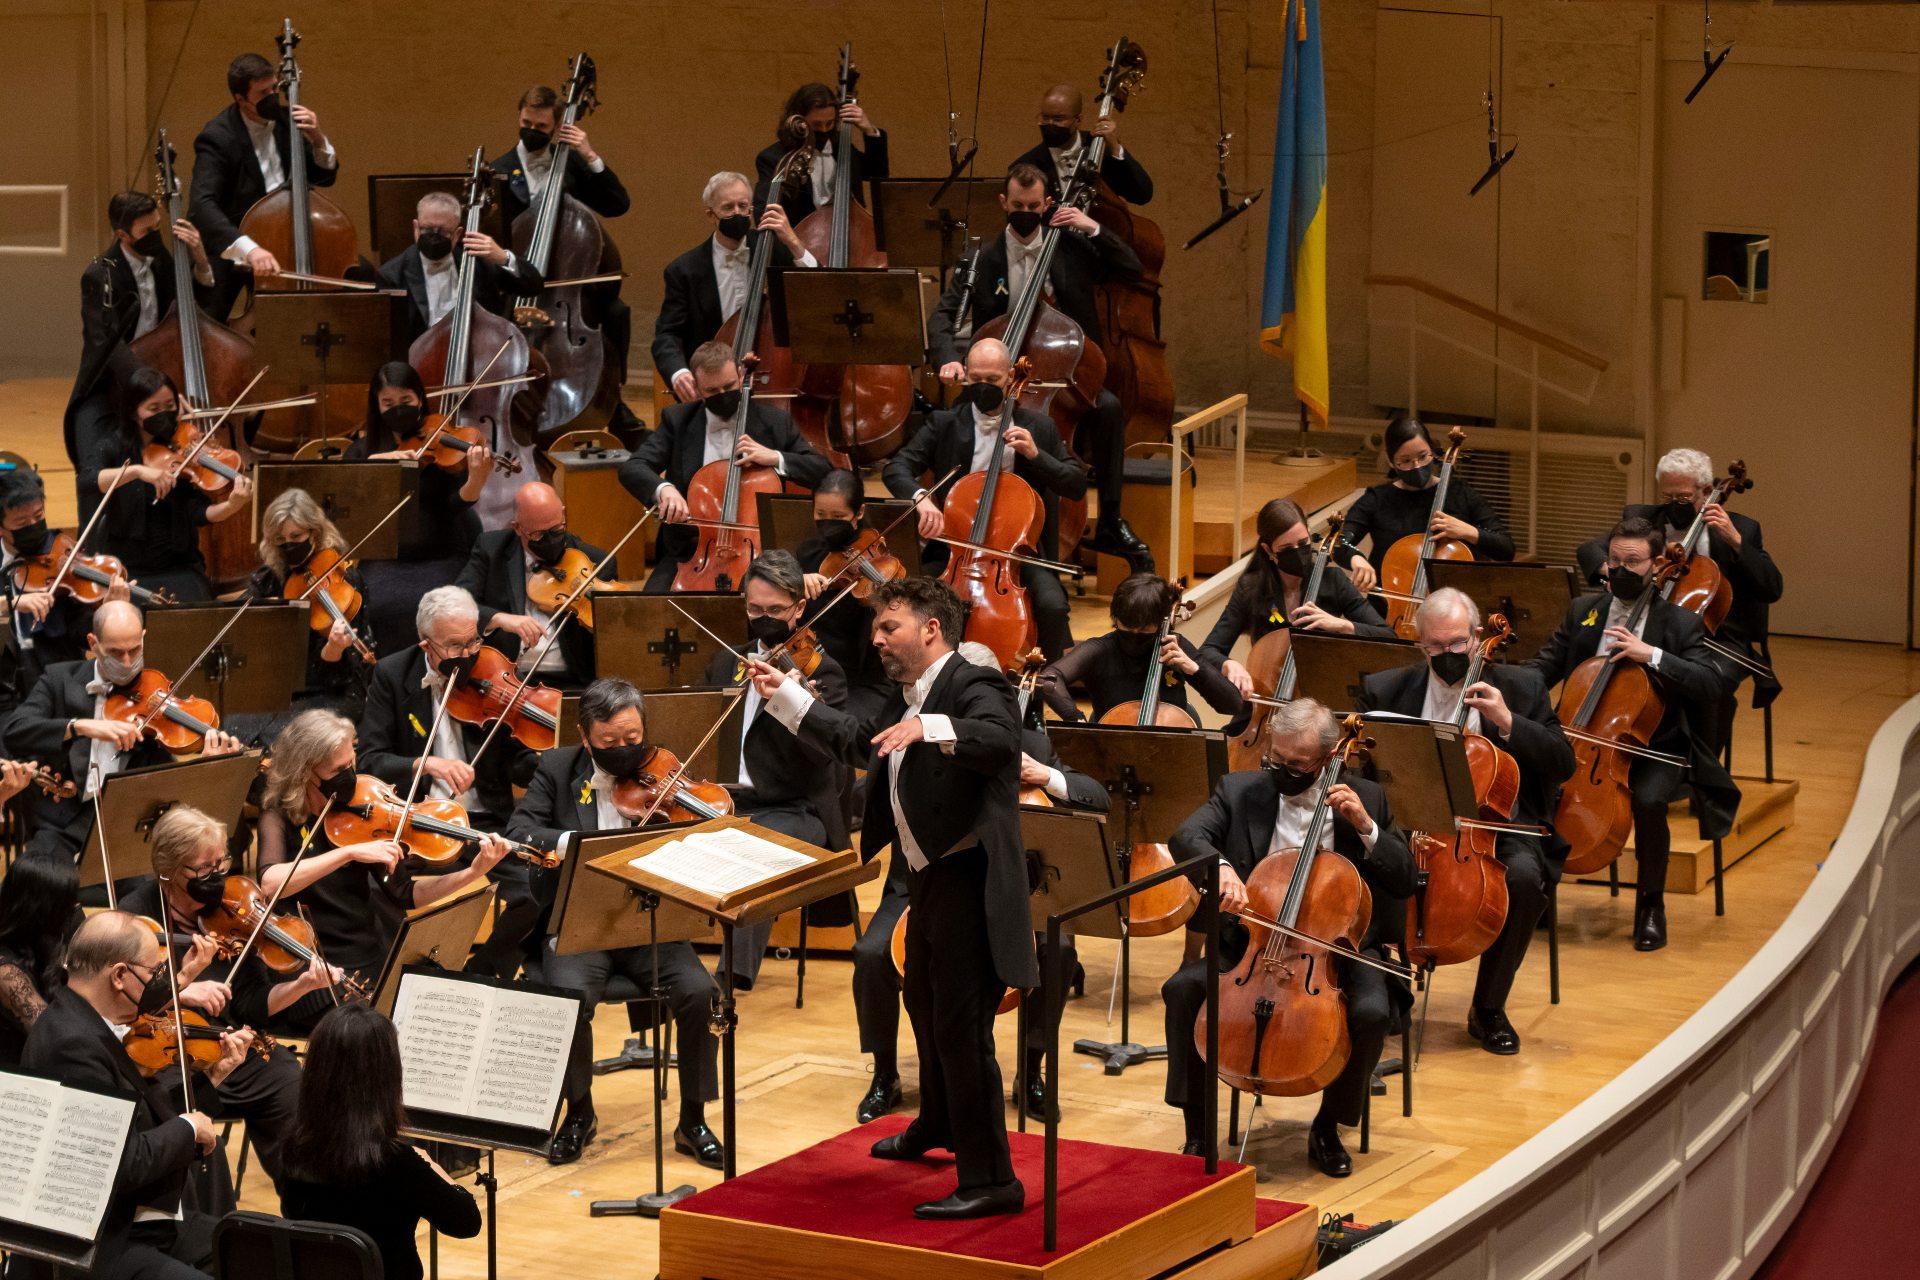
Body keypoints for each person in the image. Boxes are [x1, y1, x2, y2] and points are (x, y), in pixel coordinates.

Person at [746, 576, 1037, 1220]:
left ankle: (992, 1180)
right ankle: (938, 1123)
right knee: (924, 1003)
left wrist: (932, 728)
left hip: (969, 881)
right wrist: (787, 696)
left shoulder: (970, 683)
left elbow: (1000, 741)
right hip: (923, 879)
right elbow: (857, 742)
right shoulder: (907, 698)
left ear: (930, 629)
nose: (876, 640)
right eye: (875, 628)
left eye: (889, 628)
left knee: (963, 1028)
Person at [1162, 698, 1414, 1175]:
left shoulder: (1366, 798)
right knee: (1182, 990)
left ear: (1326, 759)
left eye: (1294, 765)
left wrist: (1365, 827)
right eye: (1274, 759)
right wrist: (1222, 870)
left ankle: (1326, 1128)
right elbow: (1186, 836)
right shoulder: (1240, 791)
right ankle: (1198, 1132)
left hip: (1338, 951)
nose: (1280, 770)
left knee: (1371, 1012)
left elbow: (1403, 879)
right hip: (1252, 946)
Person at [505, 677, 723, 1168]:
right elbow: (519, 832)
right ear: (586, 737)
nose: (625, 751)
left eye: (633, 739)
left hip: (648, 920)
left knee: (699, 992)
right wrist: (574, 847)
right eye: (610, 743)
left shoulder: (663, 769)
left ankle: (693, 1120)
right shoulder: (558, 768)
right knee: (568, 1002)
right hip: (580, 924)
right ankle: (579, 1113)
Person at [1357, 588, 1572, 1054]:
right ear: (1421, 645)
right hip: (1410, 824)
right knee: (1356, 864)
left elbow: (1562, 762)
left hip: (1492, 828)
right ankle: (1385, 992)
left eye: (1457, 645)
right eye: (1437, 648)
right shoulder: (1387, 689)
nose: (1449, 655)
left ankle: (1488, 1008)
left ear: (1477, 638)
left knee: (1523, 878)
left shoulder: (1521, 686)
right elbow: (1367, 775)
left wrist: (1508, 720)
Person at [1525, 517, 1737, 951]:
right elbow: (1542, 669)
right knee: (1539, 784)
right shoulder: (1585, 611)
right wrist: (1503, 685)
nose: (1619, 571)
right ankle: (1543, 895)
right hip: (1583, 737)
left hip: (1654, 744)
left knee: (1649, 800)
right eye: (1614, 561)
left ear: (1658, 563)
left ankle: (1651, 906)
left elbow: (1709, 684)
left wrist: (1652, 655)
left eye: (1632, 562)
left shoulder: (1680, 624)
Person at [928, 165, 1151, 574]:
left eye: (1034, 206)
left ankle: (1111, 521)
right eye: (1017, 206)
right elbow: (943, 316)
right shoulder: (980, 258)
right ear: (1003, 204)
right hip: (995, 375)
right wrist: (947, 356)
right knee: (945, 424)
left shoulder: (1070, 247)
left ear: (1047, 205)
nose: (1025, 212)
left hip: (1059, 373)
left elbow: (1133, 268)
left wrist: (1092, 227)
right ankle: (953, 526)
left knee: (1110, 409)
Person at [21, 911, 247, 1280]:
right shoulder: (72, 1044)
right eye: (155, 971)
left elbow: (143, 1122)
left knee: (254, 1248)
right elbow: (120, 1163)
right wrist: (189, 1128)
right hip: (107, 1242)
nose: (165, 983)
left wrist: (210, 1083)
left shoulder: (88, 1024)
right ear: (120, 975)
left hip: (146, 1220)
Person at [257, 710, 509, 1028]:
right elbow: (269, 883)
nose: (350, 774)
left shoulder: (363, 817)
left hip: (369, 955)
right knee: (383, 1029)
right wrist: (348, 854)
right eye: (338, 769)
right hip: (315, 969)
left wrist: (472, 872)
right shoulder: (278, 817)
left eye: (351, 763)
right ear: (306, 771)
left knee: (443, 1012)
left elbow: (407, 893)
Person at [117, 806, 319, 1192]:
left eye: (220, 862)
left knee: (287, 1079)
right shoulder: (134, 918)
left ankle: (305, 1202)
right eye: (204, 870)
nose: (218, 877)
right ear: (170, 870)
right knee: (172, 1105)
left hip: (228, 1043)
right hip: (168, 1055)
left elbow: (252, 1002)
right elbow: (120, 1003)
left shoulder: (232, 912)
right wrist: (181, 988)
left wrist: (300, 986)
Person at [357, 586, 536, 976]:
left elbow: (514, 760)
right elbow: (369, 760)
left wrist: (544, 755)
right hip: (415, 822)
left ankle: (482, 974)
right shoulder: (391, 674)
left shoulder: (488, 673)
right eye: (455, 646)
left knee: (534, 890)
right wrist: (427, 763)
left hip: (484, 821)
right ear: (426, 645)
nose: (469, 653)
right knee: (381, 892)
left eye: (473, 640)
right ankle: (401, 982)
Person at [698, 551, 850, 990]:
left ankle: (729, 979)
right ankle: (666, 966)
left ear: (799, 608)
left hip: (796, 808)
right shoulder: (728, 661)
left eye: (775, 611)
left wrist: (793, 698)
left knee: (753, 852)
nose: (762, 619)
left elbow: (824, 758)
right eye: (754, 609)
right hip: (728, 802)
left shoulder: (824, 674)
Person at [1574, 447, 1784, 762]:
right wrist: (1613, 570)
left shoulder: (1741, 527)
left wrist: (1736, 541)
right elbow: (1590, 549)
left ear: (1706, 490)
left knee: (1713, 687)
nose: (1676, 505)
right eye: (1668, 496)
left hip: (1718, 639)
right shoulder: (1644, 519)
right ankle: (1631, 759)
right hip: (1653, 629)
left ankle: (1697, 771)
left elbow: (1772, 587)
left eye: (1684, 498)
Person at [884, 337, 1086, 660]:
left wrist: (1036, 455)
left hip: (1016, 555)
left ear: (1010, 376)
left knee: (1052, 604)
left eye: (992, 380)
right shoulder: (945, 423)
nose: (984, 386)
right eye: (976, 379)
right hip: (955, 550)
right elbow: (896, 468)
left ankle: (1048, 682)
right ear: (965, 375)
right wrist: (921, 498)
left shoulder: (1039, 426)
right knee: (909, 602)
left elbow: (1076, 483)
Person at [3, 600, 243, 865]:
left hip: (132, 825)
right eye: (116, 653)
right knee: (38, 880)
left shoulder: (158, 693)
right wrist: (80, 726)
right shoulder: (59, 679)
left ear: (143, 637)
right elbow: (15, 730)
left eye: (135, 649)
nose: (128, 662)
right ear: (93, 644)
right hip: (64, 822)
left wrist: (211, 766)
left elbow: (171, 779)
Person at [279, 1003, 481, 1280]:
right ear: (385, 1079)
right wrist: (431, 1165)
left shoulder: (293, 1147)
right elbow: (466, 1223)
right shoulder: (397, 1162)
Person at [618, 341, 831, 590]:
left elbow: (822, 470)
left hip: (759, 556)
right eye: (712, 390)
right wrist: (664, 489)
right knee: (652, 609)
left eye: (729, 386)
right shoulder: (678, 421)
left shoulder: (775, 422)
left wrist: (775, 457)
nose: (723, 394)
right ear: (697, 389)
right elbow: (633, 467)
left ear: (741, 376)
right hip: (691, 554)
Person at [71, 366, 253, 604]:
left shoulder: (182, 448)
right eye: (154, 409)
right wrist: (137, 471)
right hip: (129, 571)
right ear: (134, 412)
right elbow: (87, 481)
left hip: (181, 567)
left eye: (169, 407)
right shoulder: (113, 446)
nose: (164, 415)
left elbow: (198, 512)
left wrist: (231, 505)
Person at [64, 191, 215, 463]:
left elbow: (191, 310)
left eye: (158, 226)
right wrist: (150, 386)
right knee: (93, 458)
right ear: (122, 235)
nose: (156, 236)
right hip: (112, 379)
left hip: (160, 371)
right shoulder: (99, 275)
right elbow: (106, 342)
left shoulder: (161, 260)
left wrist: (200, 259)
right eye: (148, 231)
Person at [188, 51, 341, 317]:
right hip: (240, 238)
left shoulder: (286, 120)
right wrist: (250, 248)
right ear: (240, 99)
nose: (272, 97)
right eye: (262, 93)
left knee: (360, 274)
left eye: (274, 88)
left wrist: (317, 138)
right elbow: (202, 204)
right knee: (210, 310)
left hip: (287, 233)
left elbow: (324, 177)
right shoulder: (217, 137)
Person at [1201, 497, 1396, 699]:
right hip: (1268, 698)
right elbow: (1208, 650)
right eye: (1286, 549)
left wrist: (1341, 626)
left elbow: (1388, 637)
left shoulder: (1333, 581)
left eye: (1303, 543)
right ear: (1269, 551)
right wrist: (1229, 664)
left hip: (1323, 698)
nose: (1298, 553)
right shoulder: (1250, 588)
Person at [652, 171, 816, 402]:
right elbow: (667, 334)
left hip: (770, 372)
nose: (737, 213)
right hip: (713, 382)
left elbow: (815, 286)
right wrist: (678, 372)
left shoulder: (769, 246)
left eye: (743, 205)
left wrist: (793, 241)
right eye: (728, 207)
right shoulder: (683, 270)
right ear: (711, 215)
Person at [454, 481, 610, 687]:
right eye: (539, 534)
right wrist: (500, 619)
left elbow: (611, 634)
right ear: (517, 528)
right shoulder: (491, 549)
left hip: (571, 680)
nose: (551, 540)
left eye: (556, 529)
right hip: (507, 679)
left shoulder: (593, 562)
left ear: (563, 514)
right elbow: (456, 604)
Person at [1340, 415, 1514, 595]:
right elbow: (1339, 542)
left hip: (1451, 612)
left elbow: (1506, 549)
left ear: (1432, 451)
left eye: (1423, 456)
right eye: (1406, 461)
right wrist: (1355, 558)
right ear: (1392, 462)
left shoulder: (1460, 494)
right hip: (1388, 610)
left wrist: (1468, 531)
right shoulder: (1376, 500)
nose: (1416, 466)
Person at [1037, 572, 1243, 723]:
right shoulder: (1100, 650)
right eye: (1127, 626)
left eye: (1144, 628)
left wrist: (1194, 669)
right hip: (1109, 747)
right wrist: (1075, 719)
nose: (1135, 634)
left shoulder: (1174, 646)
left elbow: (1232, 704)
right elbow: (1050, 677)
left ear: (1162, 621)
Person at [245, 487, 371, 716]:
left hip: (333, 688)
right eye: (280, 539)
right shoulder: (267, 581)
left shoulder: (344, 577)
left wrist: (332, 650)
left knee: (300, 727)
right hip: (281, 687)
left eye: (296, 537)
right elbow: (243, 630)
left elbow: (354, 669)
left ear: (314, 533)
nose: (289, 545)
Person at [3, 465, 133, 679]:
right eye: (22, 522)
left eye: (38, 516)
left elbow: (81, 632)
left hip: (55, 673)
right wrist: (12, 603)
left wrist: (106, 613)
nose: (34, 525)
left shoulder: (62, 554)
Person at [375, 192, 544, 348]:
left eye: (442, 231)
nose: (434, 236)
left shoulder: (478, 262)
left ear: (457, 234)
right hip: (421, 365)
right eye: (427, 229)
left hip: (481, 354)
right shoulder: (392, 275)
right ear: (416, 228)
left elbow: (533, 286)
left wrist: (504, 257)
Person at [793, 469, 892, 723]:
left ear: (859, 513)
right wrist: (796, 582)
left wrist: (882, 600)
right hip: (817, 667)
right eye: (821, 515)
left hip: (866, 678)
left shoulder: (874, 553)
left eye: (838, 516)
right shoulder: (807, 553)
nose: (828, 523)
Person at [754, 80, 888, 228]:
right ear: (798, 121)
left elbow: (878, 174)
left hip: (851, 234)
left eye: (829, 123)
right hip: (802, 241)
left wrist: (870, 130)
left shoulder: (842, 149)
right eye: (817, 125)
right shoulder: (773, 158)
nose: (824, 130)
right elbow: (764, 214)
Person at [1012, 81, 1154, 205]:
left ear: (1078, 120)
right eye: (1045, 117)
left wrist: (1115, 148)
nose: (1050, 124)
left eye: (1058, 119)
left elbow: (1141, 195)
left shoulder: (1099, 148)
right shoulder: (1026, 165)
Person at [0, 857, 78, 1067]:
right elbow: (52, 1036)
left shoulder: (44, 938)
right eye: (69, 902)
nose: (76, 907)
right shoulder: (6, 973)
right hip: (20, 1072)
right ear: (44, 909)